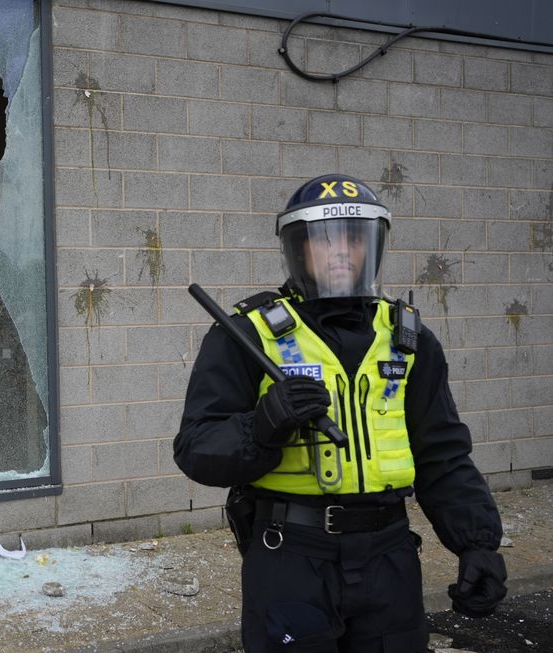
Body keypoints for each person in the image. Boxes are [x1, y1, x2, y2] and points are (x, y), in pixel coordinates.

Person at [173, 174, 507, 652]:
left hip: (389, 556)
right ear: (298, 249)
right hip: (291, 555)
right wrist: (264, 424)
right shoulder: (247, 336)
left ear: (372, 246)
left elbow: (443, 454)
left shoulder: (408, 340)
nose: (340, 252)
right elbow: (196, 448)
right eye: (323, 240)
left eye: (354, 238)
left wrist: (477, 543)